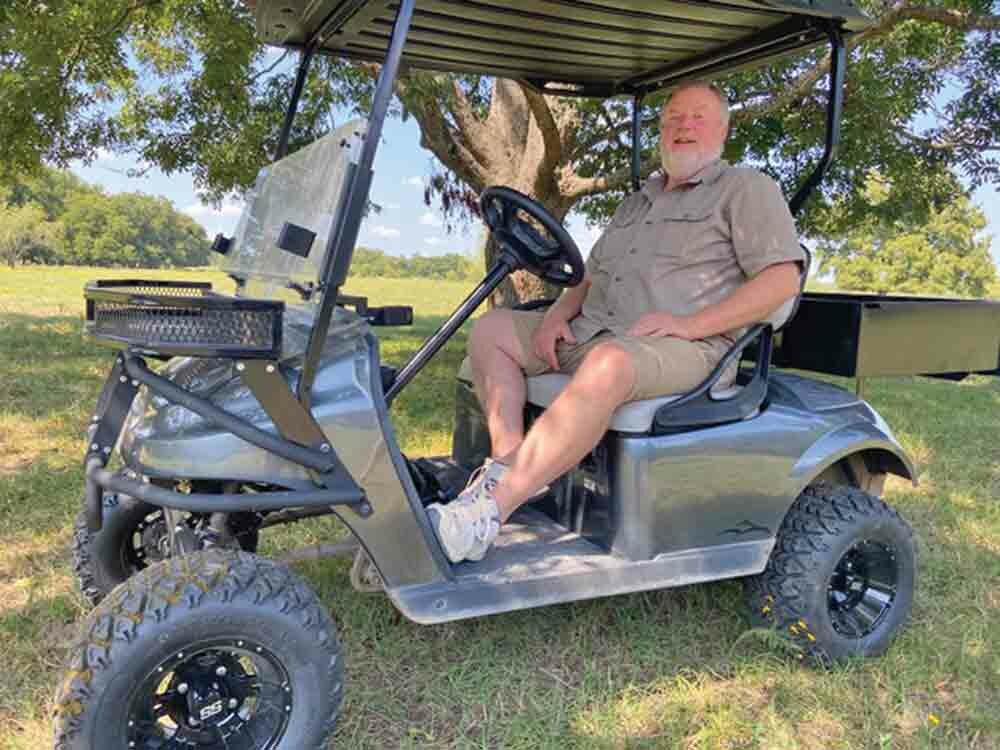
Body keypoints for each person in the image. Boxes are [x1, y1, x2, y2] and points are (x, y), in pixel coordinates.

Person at [426, 80, 805, 564]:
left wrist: (691, 325)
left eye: (698, 117)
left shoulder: (746, 190)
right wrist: (557, 316)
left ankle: (485, 512)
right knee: (492, 330)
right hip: (600, 332)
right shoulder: (639, 199)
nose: (682, 126)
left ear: (723, 131)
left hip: (690, 349)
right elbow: (589, 276)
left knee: (607, 364)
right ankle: (508, 476)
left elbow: (781, 282)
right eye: (673, 118)